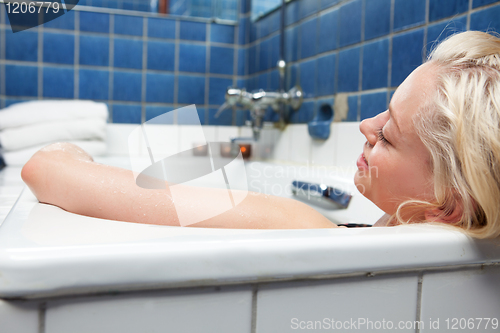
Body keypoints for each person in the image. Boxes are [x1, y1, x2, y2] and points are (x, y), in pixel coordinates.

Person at [21, 31, 500, 238]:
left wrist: (69, 150)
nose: (364, 126)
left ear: (444, 206)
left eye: (388, 135)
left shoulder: (309, 230)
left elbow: (44, 171)